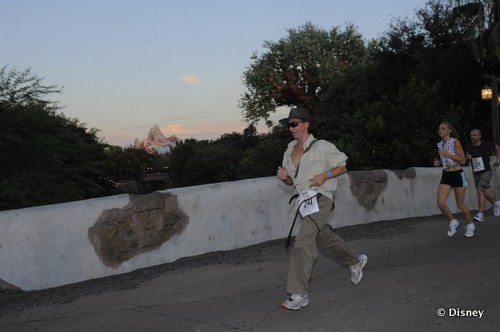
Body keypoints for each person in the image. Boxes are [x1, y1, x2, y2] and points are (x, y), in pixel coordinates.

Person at [276, 107, 367, 311]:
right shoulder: (289, 150)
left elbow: (342, 166)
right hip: (305, 203)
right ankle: (355, 261)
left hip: (322, 198)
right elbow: (292, 182)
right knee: (323, 237)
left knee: (302, 242)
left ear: (306, 124)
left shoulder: (322, 146)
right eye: (289, 125)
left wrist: (324, 175)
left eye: (295, 123)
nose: (291, 128)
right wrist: (285, 178)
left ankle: (299, 294)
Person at [433, 122, 475, 238]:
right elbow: (446, 158)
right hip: (446, 175)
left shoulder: (455, 142)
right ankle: (453, 222)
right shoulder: (439, 145)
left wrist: (448, 154)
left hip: (458, 174)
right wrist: (439, 162)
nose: (440, 130)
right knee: (440, 203)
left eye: (443, 128)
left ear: (449, 131)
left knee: (461, 204)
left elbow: (462, 160)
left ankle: (470, 225)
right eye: (439, 128)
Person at [464, 128, 500, 222]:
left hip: (486, 171)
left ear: (480, 136)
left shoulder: (487, 145)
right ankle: (496, 204)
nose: (473, 137)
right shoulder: (468, 147)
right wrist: (467, 158)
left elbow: (497, 148)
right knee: (484, 192)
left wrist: (498, 160)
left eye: (475, 135)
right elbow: (464, 159)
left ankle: (480, 214)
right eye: (471, 135)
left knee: (480, 191)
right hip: (476, 173)